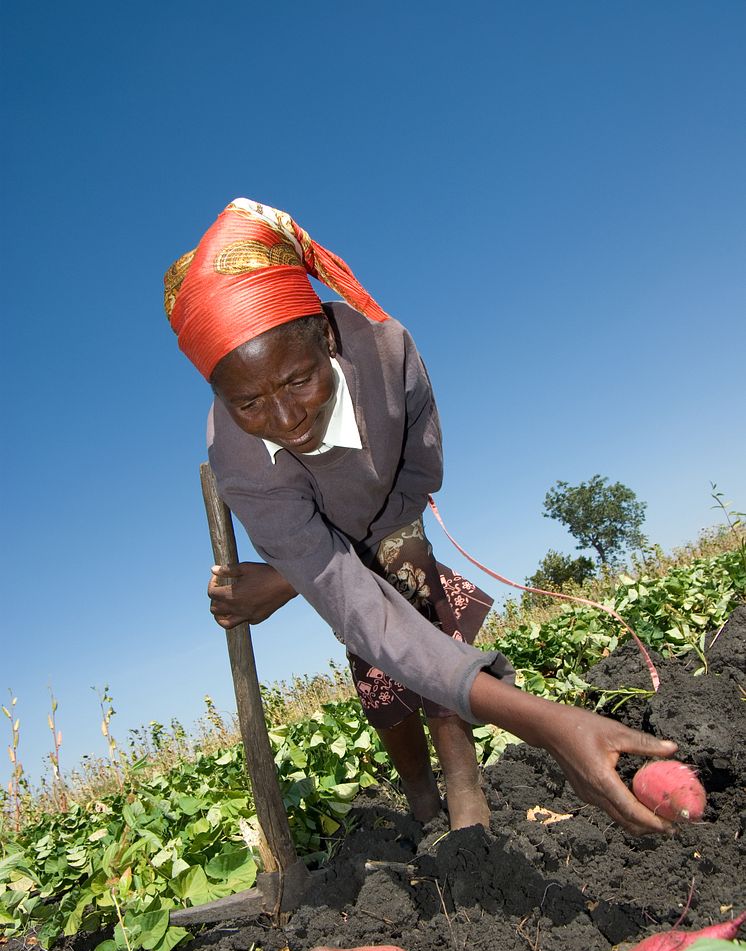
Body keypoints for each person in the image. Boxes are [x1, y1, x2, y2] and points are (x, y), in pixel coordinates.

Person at [164, 198, 677, 836]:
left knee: (415, 600)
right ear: (222, 397)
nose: (285, 417)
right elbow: (350, 598)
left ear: (324, 337)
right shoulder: (239, 461)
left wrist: (314, 571)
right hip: (320, 550)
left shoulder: (388, 353)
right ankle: (420, 792)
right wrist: (317, 571)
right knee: (372, 651)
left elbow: (418, 474)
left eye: (298, 381)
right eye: (248, 401)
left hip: (394, 515)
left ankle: (462, 783)